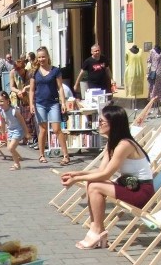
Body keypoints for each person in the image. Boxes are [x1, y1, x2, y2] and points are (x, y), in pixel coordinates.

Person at [60, 104, 153, 250]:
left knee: (95, 186)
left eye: (103, 121)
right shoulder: (113, 142)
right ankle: (98, 230)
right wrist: (76, 173)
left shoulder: (124, 145)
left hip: (141, 191)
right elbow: (101, 170)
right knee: (92, 184)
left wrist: (76, 179)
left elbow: (106, 175)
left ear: (114, 124)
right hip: (129, 186)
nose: (99, 124)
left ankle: (97, 230)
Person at [29, 47, 70, 166]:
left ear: (47, 57)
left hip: (53, 103)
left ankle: (66, 155)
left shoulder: (55, 70)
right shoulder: (34, 72)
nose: (41, 59)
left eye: (43, 56)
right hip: (40, 103)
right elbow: (31, 90)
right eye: (39, 57)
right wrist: (31, 104)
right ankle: (41, 155)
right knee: (42, 129)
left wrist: (63, 103)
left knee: (57, 129)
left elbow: (60, 87)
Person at [0, 92, 30, 171]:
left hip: (18, 130)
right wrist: (3, 133)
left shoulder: (14, 111)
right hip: (10, 130)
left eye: (1, 101)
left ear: (7, 101)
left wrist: (27, 133)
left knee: (11, 148)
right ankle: (18, 158)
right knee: (9, 148)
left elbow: (22, 122)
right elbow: (3, 122)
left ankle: (17, 164)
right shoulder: (1, 111)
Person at [146, 45, 161, 117]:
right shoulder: (151, 51)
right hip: (154, 73)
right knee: (153, 89)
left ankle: (159, 108)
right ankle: (153, 108)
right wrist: (147, 73)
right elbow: (149, 62)